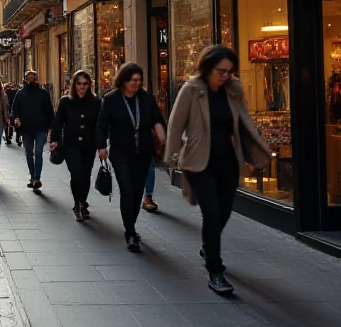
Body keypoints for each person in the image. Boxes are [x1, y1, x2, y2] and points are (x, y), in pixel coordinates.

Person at [165, 45, 270, 294]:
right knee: (211, 213)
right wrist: (172, 157)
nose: (225, 76)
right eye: (221, 71)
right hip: (200, 163)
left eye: (229, 71)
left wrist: (255, 154)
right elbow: (176, 124)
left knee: (223, 212)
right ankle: (216, 270)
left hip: (227, 162)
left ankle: (208, 245)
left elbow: (244, 124)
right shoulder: (192, 90)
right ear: (208, 68)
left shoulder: (232, 90)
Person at [97, 63, 166, 252]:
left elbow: (157, 119)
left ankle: (131, 225)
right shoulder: (111, 99)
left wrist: (162, 136)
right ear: (124, 80)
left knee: (136, 192)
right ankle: (130, 231)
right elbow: (102, 124)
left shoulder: (146, 98)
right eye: (133, 80)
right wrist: (101, 146)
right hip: (120, 152)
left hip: (143, 152)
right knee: (127, 190)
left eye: (139, 80)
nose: (137, 83)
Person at [50, 70, 101, 221]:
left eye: (85, 84)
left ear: (89, 85)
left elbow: (100, 125)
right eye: (79, 84)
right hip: (71, 145)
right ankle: (77, 203)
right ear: (74, 84)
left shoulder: (96, 102)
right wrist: (54, 140)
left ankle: (83, 201)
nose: (82, 87)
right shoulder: (66, 101)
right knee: (76, 173)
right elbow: (58, 122)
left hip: (89, 145)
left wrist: (101, 145)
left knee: (86, 175)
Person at [11, 70, 55, 189]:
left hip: (41, 128)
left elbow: (49, 111)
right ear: (25, 79)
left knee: (38, 152)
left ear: (36, 78)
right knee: (29, 153)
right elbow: (15, 110)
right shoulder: (20, 94)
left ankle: (37, 178)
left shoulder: (43, 93)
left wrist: (52, 128)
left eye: (33, 76)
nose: (31, 79)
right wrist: (16, 119)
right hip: (26, 129)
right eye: (28, 77)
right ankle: (32, 176)